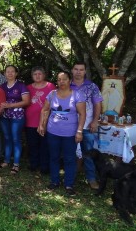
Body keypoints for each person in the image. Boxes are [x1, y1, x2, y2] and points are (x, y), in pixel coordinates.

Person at [38, 71, 86, 196]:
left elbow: (82, 114)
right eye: (59, 80)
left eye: (64, 79)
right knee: (53, 157)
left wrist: (79, 131)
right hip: (53, 132)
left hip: (70, 134)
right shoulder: (52, 94)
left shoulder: (77, 95)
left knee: (69, 159)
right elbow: (45, 109)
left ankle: (69, 184)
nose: (61, 82)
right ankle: (55, 181)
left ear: (70, 81)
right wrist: (41, 124)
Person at [70, 61, 103, 190]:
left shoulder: (92, 86)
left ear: (85, 71)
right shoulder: (67, 85)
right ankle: (70, 176)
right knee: (70, 153)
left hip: (87, 125)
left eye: (81, 69)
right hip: (70, 125)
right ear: (72, 70)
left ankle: (91, 178)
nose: (78, 72)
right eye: (76, 69)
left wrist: (95, 120)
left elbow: (97, 104)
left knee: (88, 153)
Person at [0, 65, 30, 174]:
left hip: (17, 116)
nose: (10, 73)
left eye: (12, 71)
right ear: (4, 73)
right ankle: (6, 160)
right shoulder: (2, 86)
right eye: (8, 71)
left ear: (16, 73)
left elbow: (26, 101)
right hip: (4, 116)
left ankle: (16, 164)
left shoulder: (21, 86)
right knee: (7, 138)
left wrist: (11, 105)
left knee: (16, 138)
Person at [25, 66, 56, 175]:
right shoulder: (28, 87)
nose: (37, 76)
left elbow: (54, 104)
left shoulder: (50, 86)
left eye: (40, 74)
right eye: (35, 74)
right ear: (32, 76)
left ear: (44, 75)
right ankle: (34, 164)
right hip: (30, 121)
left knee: (45, 144)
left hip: (45, 121)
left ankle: (44, 167)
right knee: (32, 144)